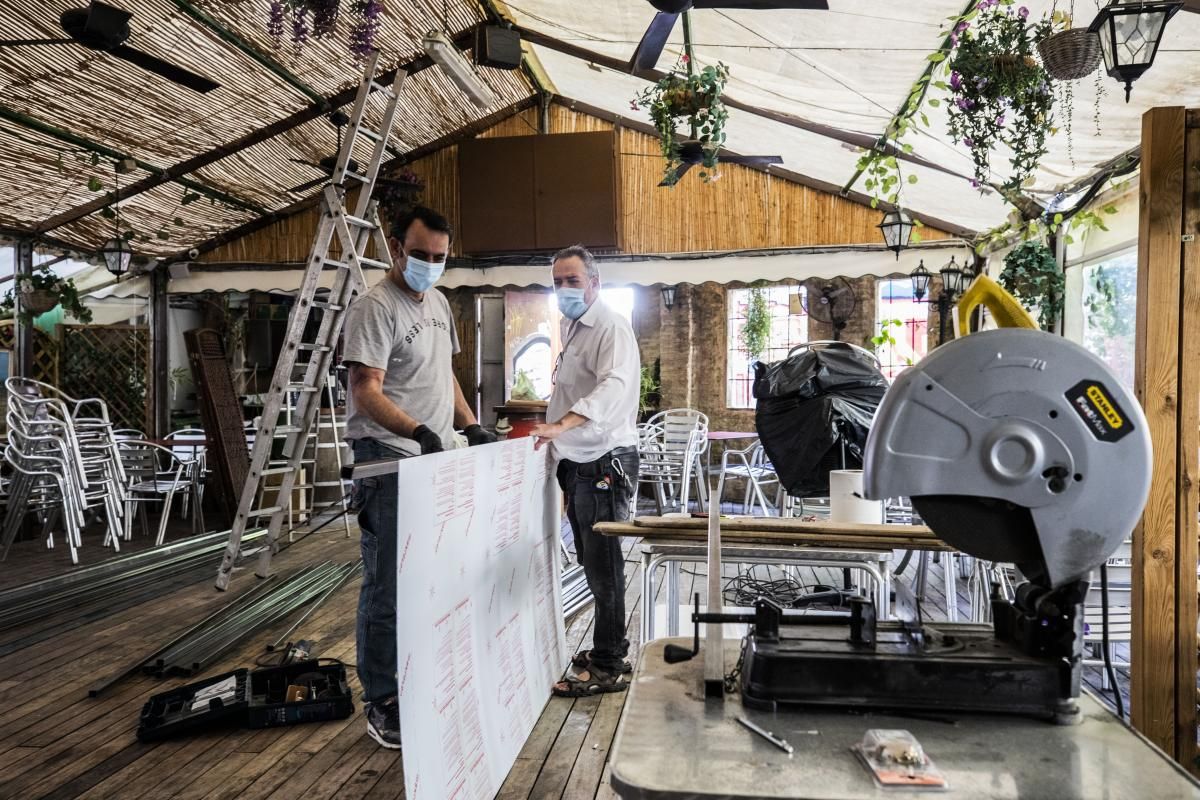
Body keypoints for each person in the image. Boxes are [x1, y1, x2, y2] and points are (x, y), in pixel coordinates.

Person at [342, 205, 496, 749]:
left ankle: (417, 679)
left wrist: (470, 425)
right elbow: (366, 388)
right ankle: (381, 700)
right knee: (386, 587)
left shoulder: (438, 301)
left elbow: (443, 372)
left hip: (435, 460)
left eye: (440, 257)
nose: (430, 265)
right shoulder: (374, 307)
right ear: (395, 247)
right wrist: (418, 431)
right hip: (389, 462)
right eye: (421, 255)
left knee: (431, 578)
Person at [531, 245, 641, 696]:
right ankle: (608, 647)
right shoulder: (572, 325)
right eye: (557, 281)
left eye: (572, 280)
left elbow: (614, 388)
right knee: (592, 563)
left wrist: (561, 424)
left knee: (604, 567)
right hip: (577, 461)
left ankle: (609, 663)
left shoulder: (610, 327)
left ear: (594, 283)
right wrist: (554, 439)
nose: (564, 289)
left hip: (603, 462)